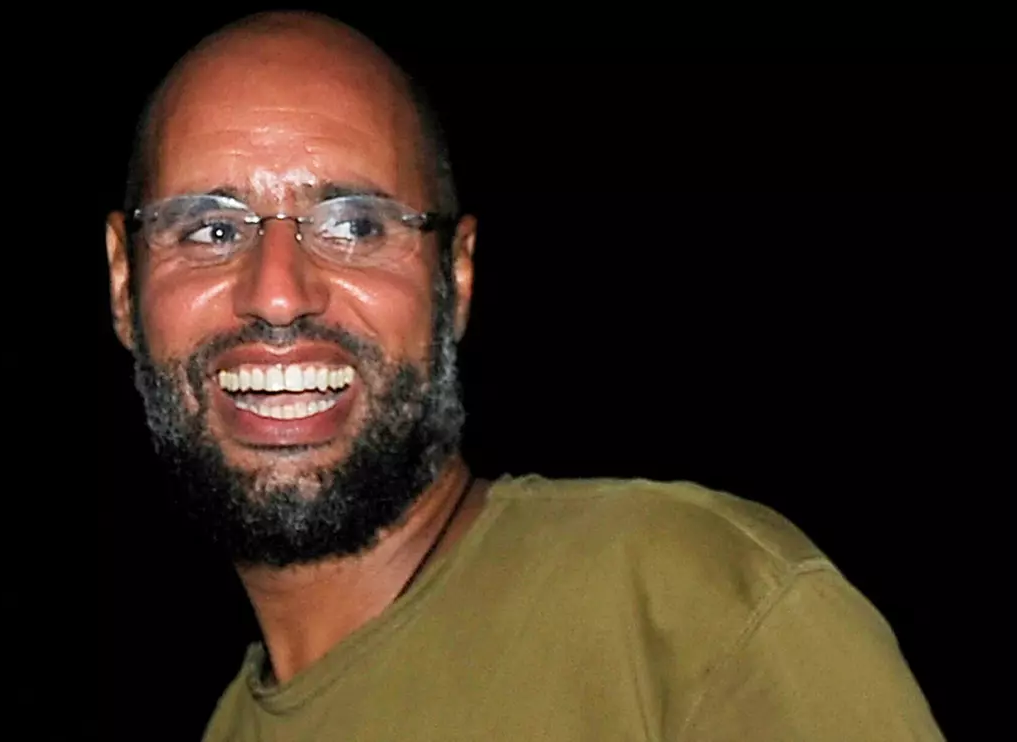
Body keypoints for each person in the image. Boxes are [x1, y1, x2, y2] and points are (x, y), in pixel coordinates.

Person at [102, 11, 944, 740]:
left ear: (455, 277)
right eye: (208, 230)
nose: (277, 292)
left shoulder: (693, 612)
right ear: (122, 281)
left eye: (354, 225)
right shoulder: (228, 726)